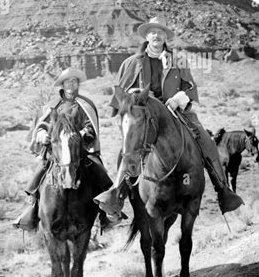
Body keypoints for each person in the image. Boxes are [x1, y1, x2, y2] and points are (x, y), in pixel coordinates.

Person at [94, 17, 244, 221]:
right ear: (147, 36)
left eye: (161, 32)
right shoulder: (132, 62)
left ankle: (222, 190)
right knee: (128, 147)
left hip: (175, 111)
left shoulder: (178, 60)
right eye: (152, 32)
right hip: (145, 114)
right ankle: (115, 195)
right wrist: (133, 98)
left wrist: (177, 98)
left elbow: (190, 87)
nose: (156, 35)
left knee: (204, 140)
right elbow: (122, 92)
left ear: (166, 36)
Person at [12, 68, 114, 231]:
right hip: (56, 151)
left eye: (75, 81)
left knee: (100, 173)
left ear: (78, 84)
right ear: (63, 84)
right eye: (68, 81)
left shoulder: (85, 105)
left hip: (82, 151)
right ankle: (31, 211)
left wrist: (80, 135)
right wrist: (42, 135)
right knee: (40, 173)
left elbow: (90, 127)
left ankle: (106, 213)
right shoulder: (51, 106)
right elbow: (42, 125)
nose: (71, 84)